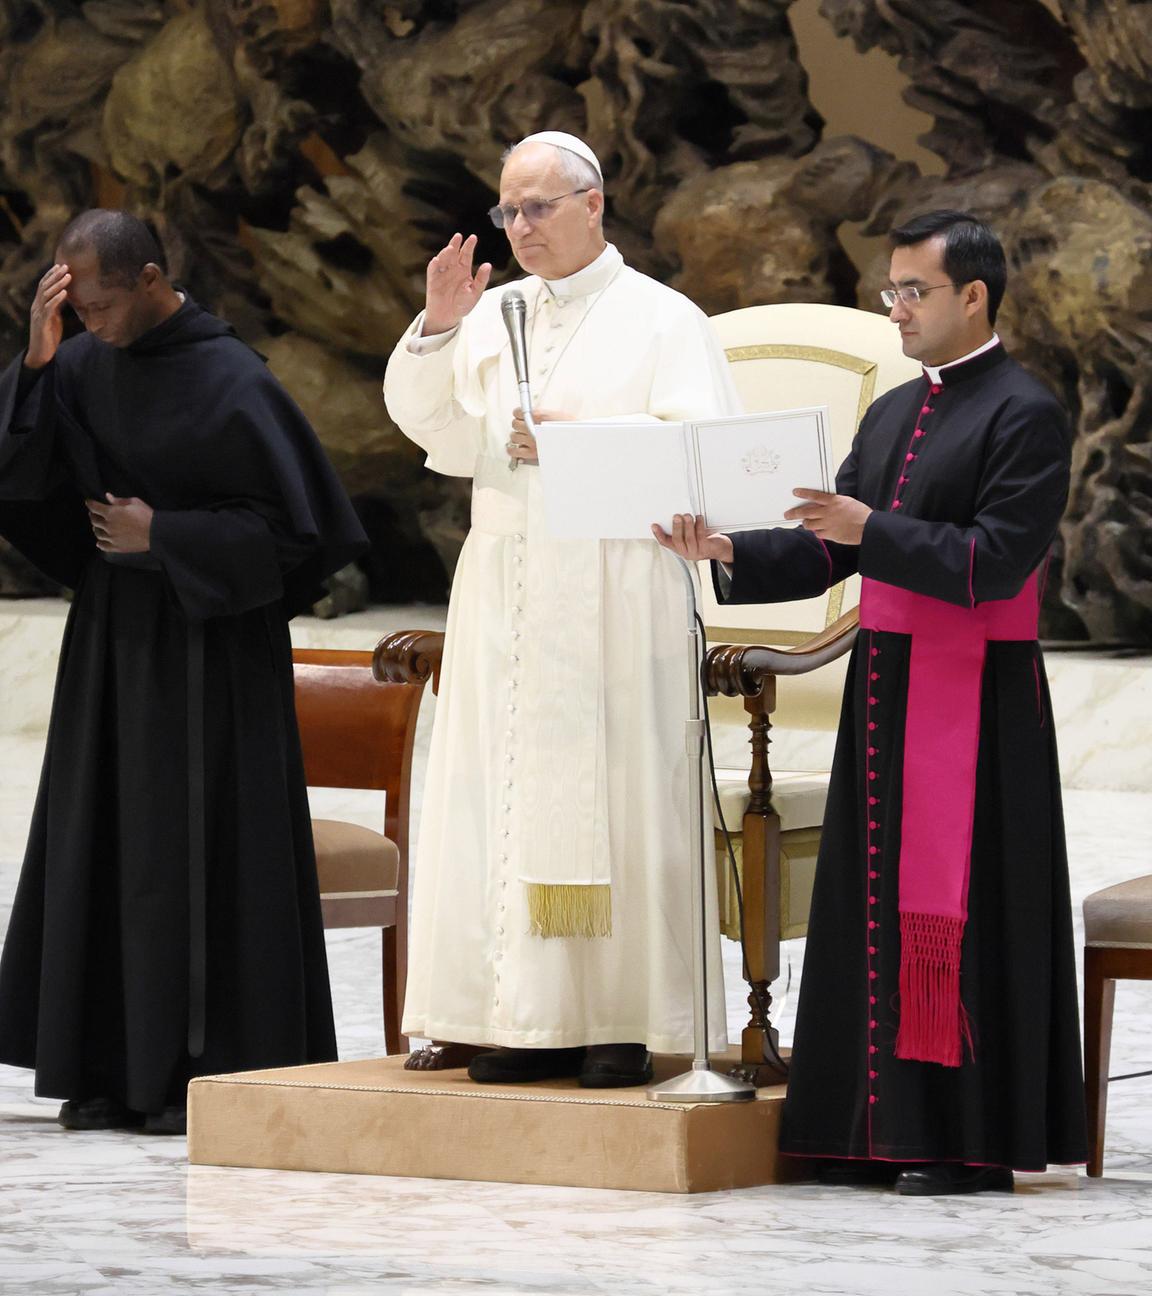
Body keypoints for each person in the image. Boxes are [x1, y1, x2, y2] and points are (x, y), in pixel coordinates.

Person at [655, 211, 1087, 1192]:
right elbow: (831, 546)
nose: (894, 308)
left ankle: (964, 1144)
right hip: (887, 699)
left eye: (913, 291)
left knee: (965, 915)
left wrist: (870, 525)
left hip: (978, 708)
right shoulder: (894, 413)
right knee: (872, 908)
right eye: (889, 290)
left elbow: (993, 560)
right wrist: (726, 549)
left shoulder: (1026, 412)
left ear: (973, 297)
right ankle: (866, 1133)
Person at [384, 131, 740, 1087]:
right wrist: (437, 327)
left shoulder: (665, 319)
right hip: (505, 584)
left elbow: (704, 454)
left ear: (594, 206)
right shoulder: (493, 313)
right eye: (508, 209)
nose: (520, 226)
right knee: (493, 798)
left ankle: (618, 1024)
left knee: (618, 795)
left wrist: (580, 443)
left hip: (617, 587)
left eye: (539, 206)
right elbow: (440, 430)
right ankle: (513, 1020)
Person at [0, 210, 367, 1134]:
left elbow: (298, 537)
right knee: (110, 843)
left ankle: (203, 1071)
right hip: (114, 644)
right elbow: (21, 475)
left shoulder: (232, 378)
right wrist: (37, 366)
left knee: (195, 849)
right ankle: (108, 1070)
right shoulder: (78, 363)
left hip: (214, 653)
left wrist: (166, 534)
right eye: (72, 308)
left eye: (103, 305)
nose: (92, 325)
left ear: (155, 279)